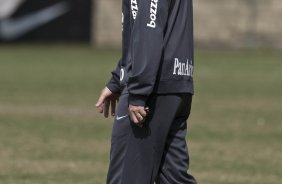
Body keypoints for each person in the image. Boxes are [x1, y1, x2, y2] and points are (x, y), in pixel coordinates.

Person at [96, 0, 197, 183]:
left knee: (126, 178)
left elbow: (149, 31)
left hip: (153, 89)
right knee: (173, 178)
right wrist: (119, 78)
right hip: (177, 83)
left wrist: (138, 92)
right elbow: (141, 28)